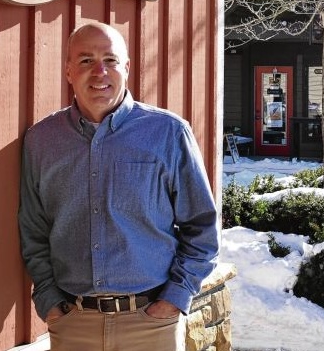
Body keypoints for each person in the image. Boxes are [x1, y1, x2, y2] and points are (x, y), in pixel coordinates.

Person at [18, 22, 219, 351]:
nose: (99, 72)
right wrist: (50, 303)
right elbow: (33, 230)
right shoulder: (42, 141)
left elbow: (202, 227)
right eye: (85, 61)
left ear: (126, 68)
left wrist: (173, 300)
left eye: (110, 60)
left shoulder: (167, 133)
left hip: (151, 324)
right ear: (68, 71)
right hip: (74, 325)